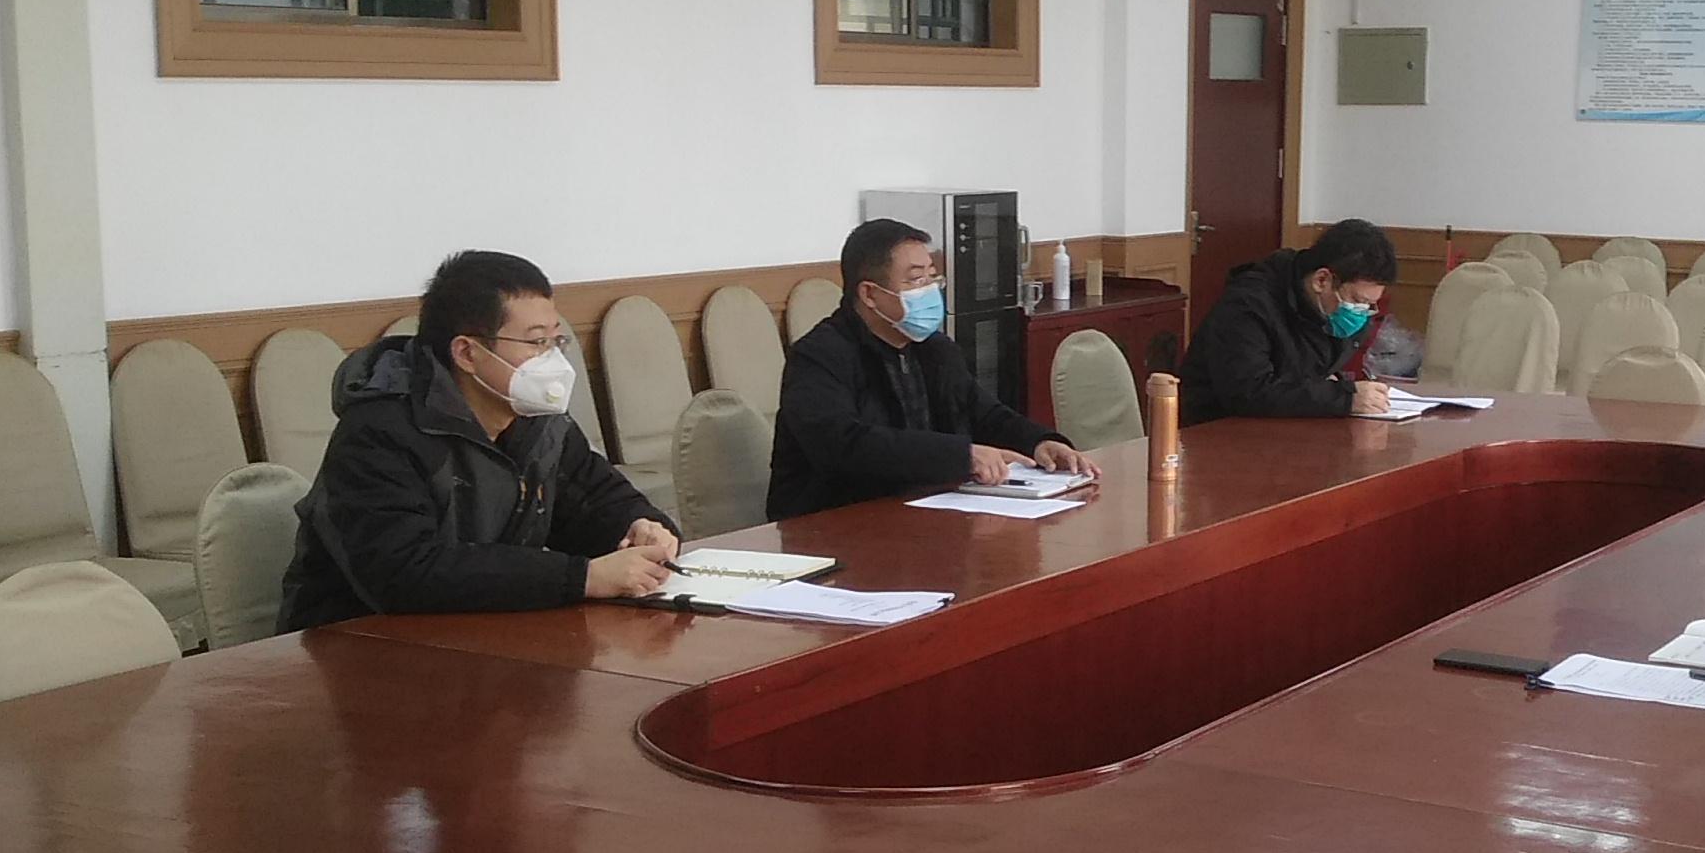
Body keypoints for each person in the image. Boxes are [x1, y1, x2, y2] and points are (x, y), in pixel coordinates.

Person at [280, 250, 679, 631]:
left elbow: (597, 499)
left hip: (481, 631)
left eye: (557, 342)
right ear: (467, 353)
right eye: (536, 342)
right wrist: (582, 577)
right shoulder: (379, 431)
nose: (553, 360)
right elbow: (404, 572)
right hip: (357, 642)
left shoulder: (540, 421)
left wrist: (642, 529)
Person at [768, 218, 1098, 520]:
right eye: (915, 279)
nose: (929, 289)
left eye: (932, 276)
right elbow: (844, 445)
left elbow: (983, 414)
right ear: (869, 294)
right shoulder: (819, 356)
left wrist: (1039, 442)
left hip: (923, 513)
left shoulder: (935, 348)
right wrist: (961, 456)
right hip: (835, 523)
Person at [1181, 219, 1403, 423]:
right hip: (1217, 430)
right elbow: (1248, 392)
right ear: (1321, 280)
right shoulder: (1248, 305)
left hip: (1287, 427)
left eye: (1369, 305)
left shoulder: (1328, 310)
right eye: (1357, 301)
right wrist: (1343, 398)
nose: (1361, 313)